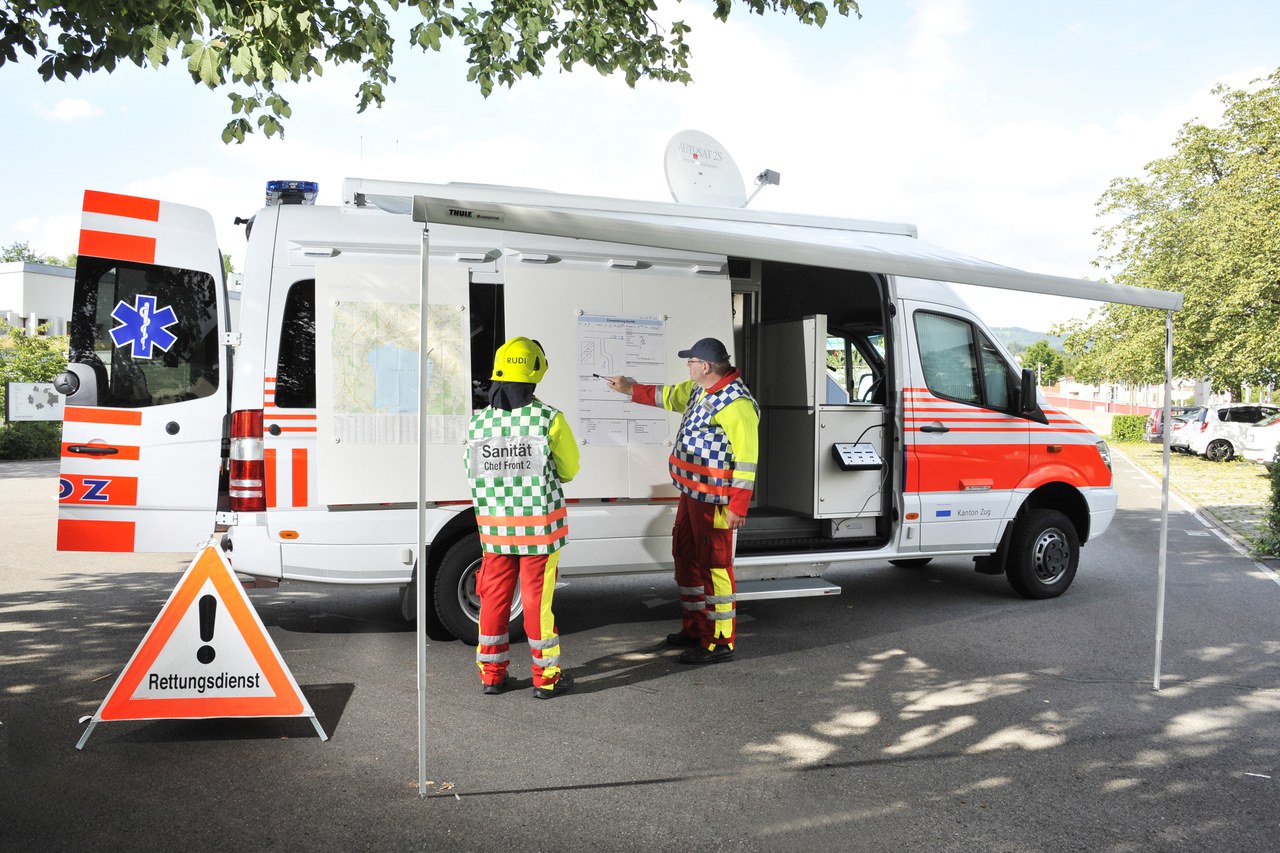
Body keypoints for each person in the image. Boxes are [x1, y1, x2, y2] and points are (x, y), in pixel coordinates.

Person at [604, 337, 759, 664]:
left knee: (715, 565)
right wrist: (629, 388)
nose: (687, 367)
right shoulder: (699, 389)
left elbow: (747, 461)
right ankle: (695, 628)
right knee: (685, 554)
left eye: (691, 362)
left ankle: (720, 642)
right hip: (692, 492)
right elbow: (667, 395)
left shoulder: (737, 404)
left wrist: (737, 507)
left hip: (715, 499)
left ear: (706, 366)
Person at [465, 336, 580, 698]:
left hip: (495, 530)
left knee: (493, 600)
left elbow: (471, 471)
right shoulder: (549, 419)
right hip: (539, 532)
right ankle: (546, 679)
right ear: (535, 372)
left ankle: (492, 676)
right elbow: (569, 469)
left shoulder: (478, 423)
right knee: (536, 604)